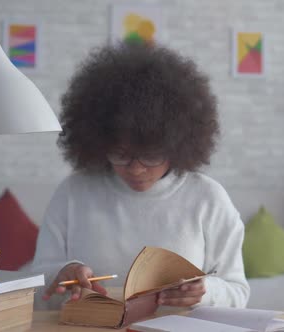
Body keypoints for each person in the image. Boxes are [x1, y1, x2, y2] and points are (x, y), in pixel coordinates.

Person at [31, 41, 249, 310]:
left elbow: (238, 292)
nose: (135, 168)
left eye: (150, 155)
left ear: (177, 145)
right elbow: (36, 283)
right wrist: (62, 274)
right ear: (99, 143)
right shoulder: (73, 192)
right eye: (121, 155)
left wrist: (205, 292)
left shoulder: (208, 198)